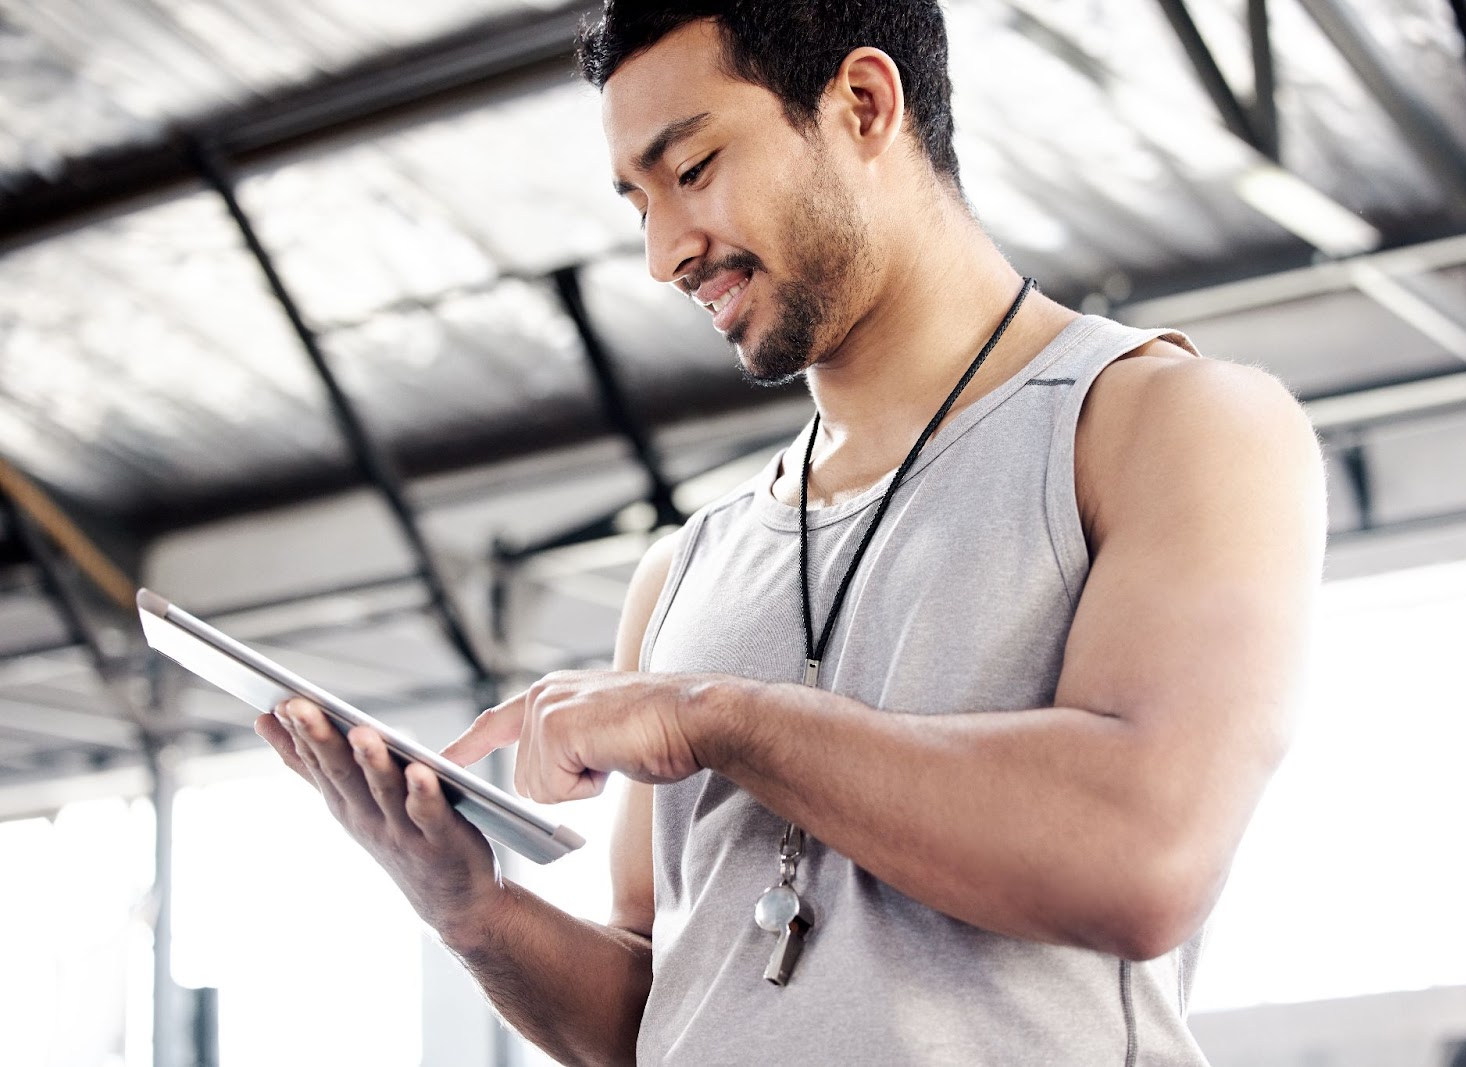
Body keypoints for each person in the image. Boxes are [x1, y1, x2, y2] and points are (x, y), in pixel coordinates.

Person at [256, 2, 1328, 1063]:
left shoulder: (1168, 423)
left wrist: (714, 717)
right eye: (637, 202)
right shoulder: (683, 569)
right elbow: (658, 1008)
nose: (664, 253)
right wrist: (473, 910)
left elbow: (1142, 859)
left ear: (863, 104)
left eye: (693, 169)